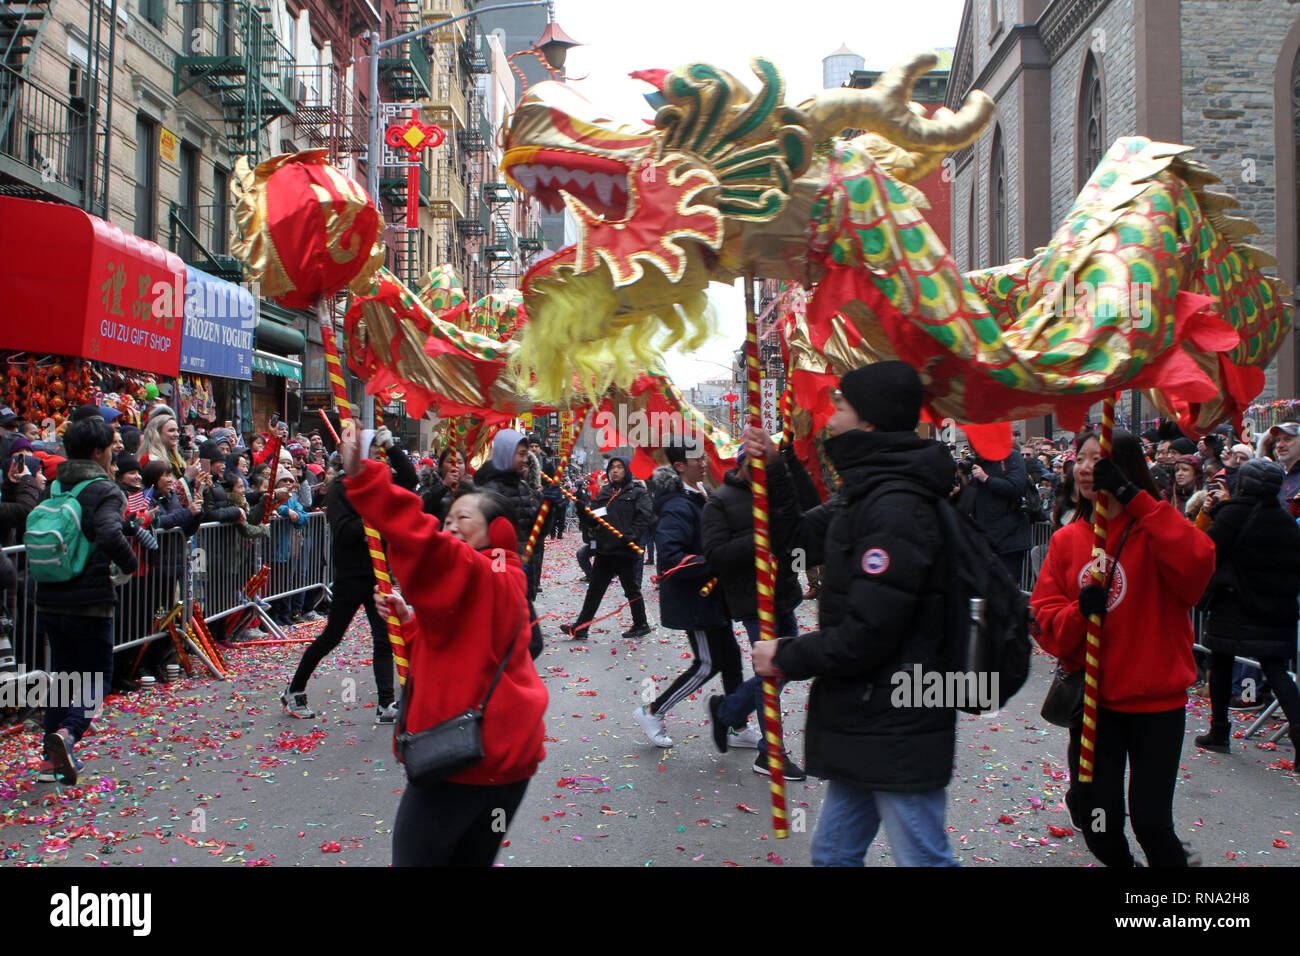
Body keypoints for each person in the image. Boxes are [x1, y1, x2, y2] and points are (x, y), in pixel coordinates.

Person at [751, 361, 961, 867]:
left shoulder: (895, 507)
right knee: (833, 854)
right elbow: (799, 539)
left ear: (868, 420)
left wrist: (785, 654)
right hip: (865, 717)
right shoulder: (865, 494)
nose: (830, 415)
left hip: (898, 718)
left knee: (923, 859)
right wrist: (777, 468)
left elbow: (870, 631)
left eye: (840, 405)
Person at [336, 421, 546, 866]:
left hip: (464, 762)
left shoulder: (489, 573)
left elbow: (425, 542)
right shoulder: (500, 580)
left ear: (500, 532)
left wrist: (365, 477)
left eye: (462, 520)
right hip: (506, 762)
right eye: (446, 520)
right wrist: (410, 620)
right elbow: (457, 650)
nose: (449, 528)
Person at [1030, 429, 1215, 867]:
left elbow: (1198, 563)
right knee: (1097, 824)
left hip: (1156, 706)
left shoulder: (1158, 530)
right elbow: (1044, 621)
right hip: (1095, 705)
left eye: (1100, 459)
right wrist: (1079, 613)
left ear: (1125, 469)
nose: (1086, 467)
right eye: (1081, 458)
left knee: (1152, 825)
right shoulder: (1068, 540)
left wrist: (1135, 498)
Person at [34, 412, 137, 784]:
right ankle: (69, 734)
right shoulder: (104, 490)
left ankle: (50, 761)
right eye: (112, 448)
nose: (115, 454)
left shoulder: (55, 486)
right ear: (97, 452)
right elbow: (110, 534)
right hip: (90, 600)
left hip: (50, 597)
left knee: (63, 676)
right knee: (97, 679)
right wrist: (128, 566)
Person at [281, 434, 407, 720]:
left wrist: (393, 449)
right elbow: (343, 529)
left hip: (377, 575)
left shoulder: (379, 485)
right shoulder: (340, 488)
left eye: (379, 450)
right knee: (332, 636)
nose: (377, 454)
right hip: (351, 575)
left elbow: (409, 481)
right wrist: (371, 520)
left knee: (384, 637)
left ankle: (386, 703)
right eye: (372, 449)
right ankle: (294, 690)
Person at [702, 442, 808, 780]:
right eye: (758, 463)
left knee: (786, 664)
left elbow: (796, 534)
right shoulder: (719, 502)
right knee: (772, 667)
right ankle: (771, 753)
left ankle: (727, 710)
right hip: (752, 600)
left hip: (783, 594)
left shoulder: (777, 491)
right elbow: (716, 556)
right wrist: (757, 538)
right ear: (744, 465)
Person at [631, 448, 740, 749]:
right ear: (679, 466)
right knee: (707, 663)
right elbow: (671, 558)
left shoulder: (700, 494)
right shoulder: (677, 505)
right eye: (698, 460)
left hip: (714, 594)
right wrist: (715, 561)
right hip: (696, 597)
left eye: (705, 458)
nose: (705, 464)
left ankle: (737, 723)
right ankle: (653, 710)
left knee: (731, 660)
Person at [1195, 458, 1300, 757]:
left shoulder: (1232, 515)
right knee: (1276, 669)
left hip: (1234, 605)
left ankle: (1219, 732)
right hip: (1276, 608)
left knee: (1222, 664)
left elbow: (1207, 551)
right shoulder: (1285, 520)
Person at [561, 456, 653, 640]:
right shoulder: (605, 493)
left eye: (620, 467)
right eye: (612, 468)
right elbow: (593, 519)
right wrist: (581, 510)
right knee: (594, 589)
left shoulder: (637, 493)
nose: (615, 471)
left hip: (625, 551)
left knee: (631, 589)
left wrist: (632, 534)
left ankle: (641, 623)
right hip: (605, 550)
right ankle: (582, 627)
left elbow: (645, 517)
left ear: (627, 470)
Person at [965, 448, 1032, 582]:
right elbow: (968, 503)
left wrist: (987, 479)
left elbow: (1016, 487)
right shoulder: (978, 461)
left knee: (1007, 587)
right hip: (985, 539)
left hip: (1009, 539)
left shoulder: (1011, 457)